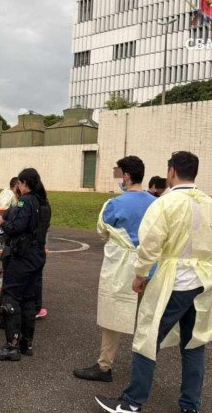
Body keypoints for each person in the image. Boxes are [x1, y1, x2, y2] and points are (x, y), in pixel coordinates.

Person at [95, 151, 212, 413]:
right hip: (204, 281)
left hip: (173, 281)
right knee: (194, 342)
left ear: (171, 172)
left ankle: (132, 402)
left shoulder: (166, 204)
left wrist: (140, 275)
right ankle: (190, 405)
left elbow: (150, 244)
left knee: (146, 337)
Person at [74, 156, 156, 382]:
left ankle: (104, 365)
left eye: (121, 174)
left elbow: (102, 231)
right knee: (148, 318)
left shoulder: (114, 204)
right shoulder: (156, 203)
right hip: (152, 268)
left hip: (122, 268)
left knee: (113, 314)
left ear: (127, 176)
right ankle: (144, 368)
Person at [0, 168, 51, 361]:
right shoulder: (45, 203)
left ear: (24, 183)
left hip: (21, 256)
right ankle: (26, 343)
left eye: (20, 184)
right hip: (37, 256)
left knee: (11, 298)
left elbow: (16, 227)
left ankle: (11, 345)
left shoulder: (26, 201)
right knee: (29, 300)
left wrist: (0, 221)